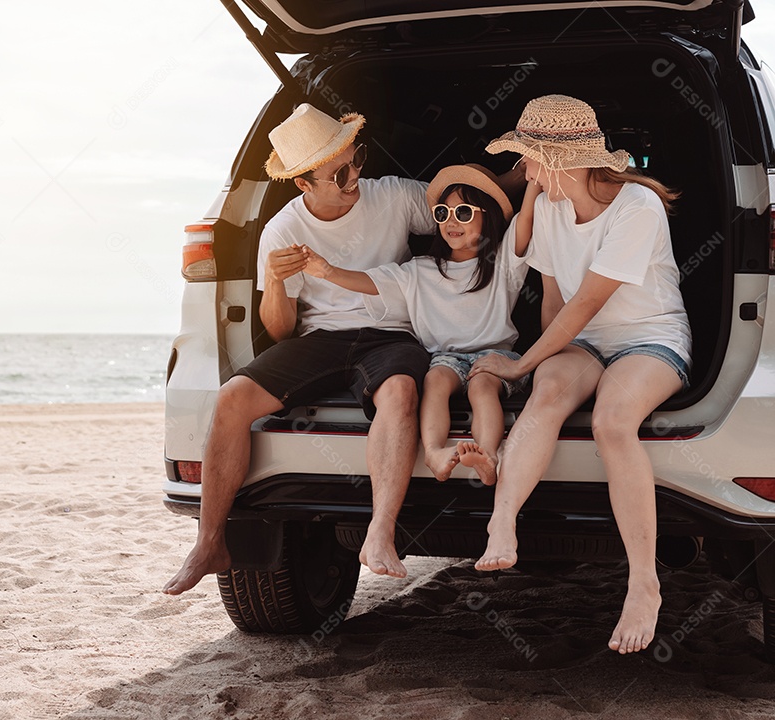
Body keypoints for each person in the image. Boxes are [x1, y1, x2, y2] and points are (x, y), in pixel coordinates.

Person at [163, 103, 441, 593]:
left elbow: (463, 208)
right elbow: (278, 329)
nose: (352, 176)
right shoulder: (283, 230)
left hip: (391, 333)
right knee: (231, 399)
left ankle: (379, 532)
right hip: (320, 340)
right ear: (303, 184)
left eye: (355, 160)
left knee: (398, 392)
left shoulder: (393, 195)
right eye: (336, 173)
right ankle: (209, 543)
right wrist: (272, 281)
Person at [467, 94, 692, 655]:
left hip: (649, 336)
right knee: (546, 395)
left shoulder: (636, 206)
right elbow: (554, 299)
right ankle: (502, 521)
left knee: (613, 424)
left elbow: (585, 304)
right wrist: (538, 367)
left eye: (531, 160)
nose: (526, 172)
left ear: (564, 160)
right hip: (586, 340)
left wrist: (518, 362)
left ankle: (644, 584)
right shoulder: (547, 206)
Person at [302, 164, 536, 487]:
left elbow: (526, 219)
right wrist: (328, 271)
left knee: (483, 387)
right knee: (435, 380)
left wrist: (535, 178)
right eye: (443, 212)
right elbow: (372, 282)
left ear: (489, 217)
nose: (451, 221)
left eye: (464, 212)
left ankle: (488, 456)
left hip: (495, 357)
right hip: (445, 359)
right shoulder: (419, 270)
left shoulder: (502, 263)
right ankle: (435, 453)